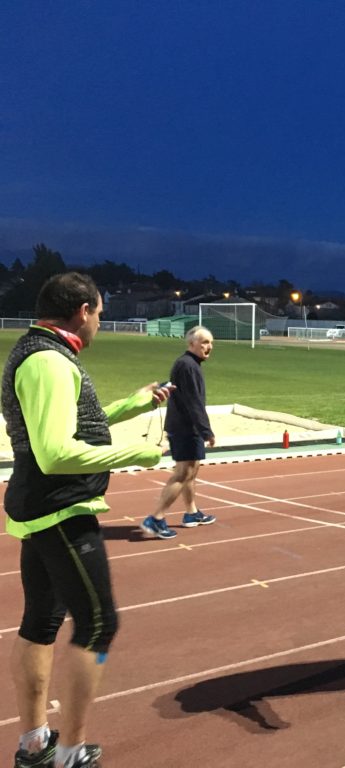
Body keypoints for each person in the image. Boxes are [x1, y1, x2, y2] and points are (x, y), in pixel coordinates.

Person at [3, 272, 170, 768]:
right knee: (99, 624)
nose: (100, 321)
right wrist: (137, 452)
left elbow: (75, 428)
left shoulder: (40, 351)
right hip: (61, 507)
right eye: (99, 312)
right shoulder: (50, 362)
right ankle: (71, 752)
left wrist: (134, 404)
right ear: (82, 311)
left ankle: (35, 745)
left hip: (42, 507)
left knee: (42, 622)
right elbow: (55, 452)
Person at [142, 326, 216, 539]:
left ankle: (191, 513)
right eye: (204, 342)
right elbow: (193, 402)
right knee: (183, 474)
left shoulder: (188, 364)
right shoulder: (187, 365)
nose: (209, 347)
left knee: (191, 472)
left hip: (184, 426)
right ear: (191, 344)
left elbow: (180, 391)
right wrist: (206, 431)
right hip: (186, 428)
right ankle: (156, 518)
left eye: (210, 343)